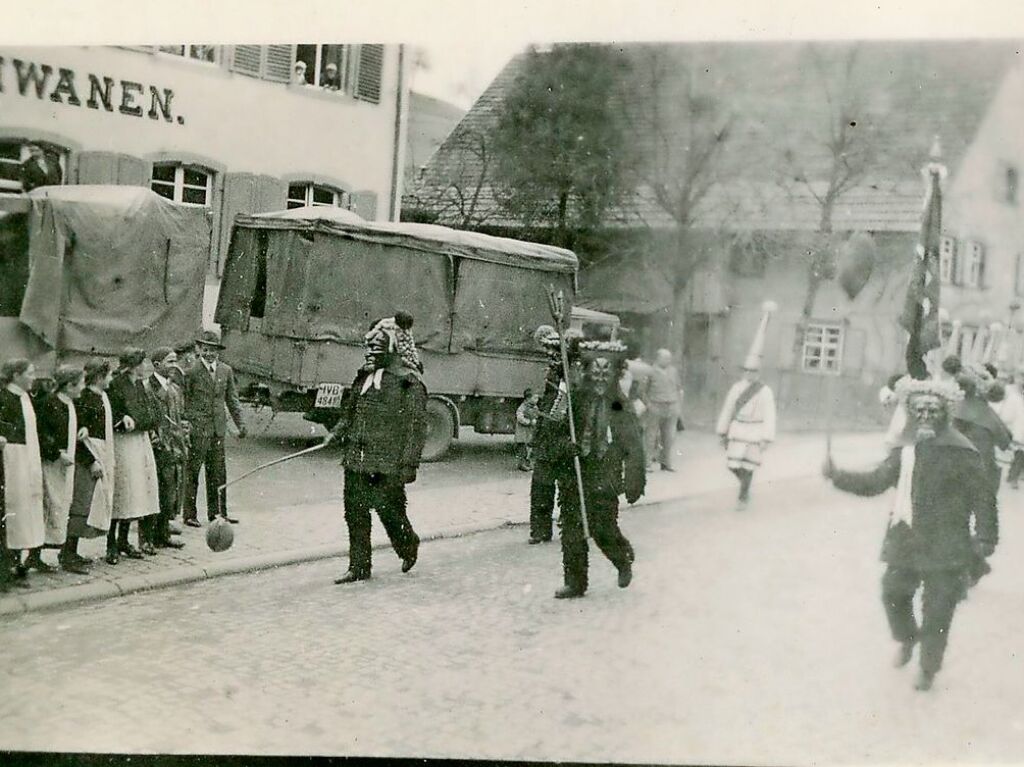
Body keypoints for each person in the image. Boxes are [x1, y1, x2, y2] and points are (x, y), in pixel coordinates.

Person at [823, 378, 996, 691]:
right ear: (911, 413)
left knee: (938, 611)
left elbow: (983, 498)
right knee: (892, 593)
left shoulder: (963, 452)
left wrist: (986, 537)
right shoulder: (905, 451)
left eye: (933, 409)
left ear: (946, 412)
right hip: (907, 538)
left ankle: (928, 668)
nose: (926, 415)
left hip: (947, 544)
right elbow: (876, 481)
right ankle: (907, 637)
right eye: (920, 410)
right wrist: (838, 476)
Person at [324, 313, 428, 584]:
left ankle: (408, 545)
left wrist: (409, 465)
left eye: (376, 348)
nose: (369, 353)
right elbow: (350, 413)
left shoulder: (409, 383)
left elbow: (417, 428)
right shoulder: (363, 378)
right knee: (354, 512)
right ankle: (359, 567)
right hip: (356, 459)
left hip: (387, 463)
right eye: (368, 348)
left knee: (389, 511)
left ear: (392, 348)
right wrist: (336, 433)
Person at [551, 339, 644, 599]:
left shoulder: (620, 404)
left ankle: (622, 559)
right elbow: (553, 434)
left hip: (605, 473)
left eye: (607, 373)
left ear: (615, 374)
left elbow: (633, 445)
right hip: (577, 470)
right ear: (588, 373)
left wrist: (635, 481)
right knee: (571, 529)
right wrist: (565, 447)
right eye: (596, 373)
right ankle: (575, 582)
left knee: (602, 528)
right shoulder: (577, 399)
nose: (601, 378)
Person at [183, 330, 246, 526]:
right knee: (193, 471)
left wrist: (241, 424)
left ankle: (218, 513)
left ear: (219, 351)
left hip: (218, 430)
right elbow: (184, 400)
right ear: (199, 350)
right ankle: (190, 515)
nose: (210, 354)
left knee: (218, 473)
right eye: (206, 350)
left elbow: (232, 400)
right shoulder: (191, 372)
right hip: (198, 430)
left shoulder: (225, 371)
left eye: (214, 351)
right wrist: (186, 424)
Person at [107, 347, 162, 560]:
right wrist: (130, 420)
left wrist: (139, 421)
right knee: (122, 490)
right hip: (123, 445)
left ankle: (124, 540)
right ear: (133, 365)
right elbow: (116, 415)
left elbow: (150, 414)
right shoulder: (115, 385)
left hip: (138, 441)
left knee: (135, 491)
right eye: (142, 364)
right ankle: (111, 544)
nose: (145, 367)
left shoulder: (139, 385)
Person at [35, 365, 89, 574]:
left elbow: (75, 426)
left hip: (67, 465)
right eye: (80, 383)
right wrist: (56, 454)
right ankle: (35, 555)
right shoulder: (49, 404)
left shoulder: (71, 404)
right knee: (49, 506)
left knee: (63, 507)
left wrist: (82, 430)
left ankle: (64, 552)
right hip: (51, 465)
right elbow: (41, 435)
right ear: (69, 385)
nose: (82, 388)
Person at [0, 359, 45, 584]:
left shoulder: (26, 398)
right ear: (16, 375)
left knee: (26, 510)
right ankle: (6, 567)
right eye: (30, 373)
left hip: (28, 460)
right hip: (11, 462)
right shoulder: (4, 398)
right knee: (13, 510)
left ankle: (19, 562)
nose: (33, 377)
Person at [66, 358, 115, 564]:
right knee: (80, 504)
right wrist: (90, 460)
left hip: (102, 453)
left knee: (90, 505)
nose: (111, 379)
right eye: (109, 375)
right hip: (87, 457)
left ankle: (72, 550)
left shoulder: (103, 397)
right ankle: (68, 551)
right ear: (99, 377)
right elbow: (77, 437)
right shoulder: (83, 398)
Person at [527, 326, 570, 545]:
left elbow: (563, 402)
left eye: (549, 349)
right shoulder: (553, 368)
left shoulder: (567, 367)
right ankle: (540, 530)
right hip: (547, 434)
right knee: (541, 483)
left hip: (561, 433)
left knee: (563, 484)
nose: (548, 354)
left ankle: (567, 526)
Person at [147, 348, 188, 549]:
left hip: (175, 448)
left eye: (175, 361)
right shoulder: (149, 388)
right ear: (157, 365)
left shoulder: (175, 389)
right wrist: (157, 442)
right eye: (170, 362)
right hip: (159, 448)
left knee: (170, 491)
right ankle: (150, 536)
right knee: (158, 491)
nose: (174, 366)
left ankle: (163, 532)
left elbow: (179, 417)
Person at [642, 349, 683, 471]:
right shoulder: (650, 371)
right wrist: (648, 404)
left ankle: (666, 463)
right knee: (651, 436)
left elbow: (678, 388)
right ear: (658, 358)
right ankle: (647, 463)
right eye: (665, 358)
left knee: (669, 436)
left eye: (669, 358)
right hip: (656, 406)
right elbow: (643, 390)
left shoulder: (673, 371)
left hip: (671, 406)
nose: (668, 361)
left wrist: (678, 405)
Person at [514, 388, 540, 471]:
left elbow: (537, 414)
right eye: (535, 398)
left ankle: (528, 463)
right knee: (523, 449)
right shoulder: (523, 407)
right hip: (523, 432)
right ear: (528, 398)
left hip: (530, 432)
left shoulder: (535, 407)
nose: (537, 400)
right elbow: (519, 417)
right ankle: (521, 464)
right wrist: (529, 422)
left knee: (529, 448)